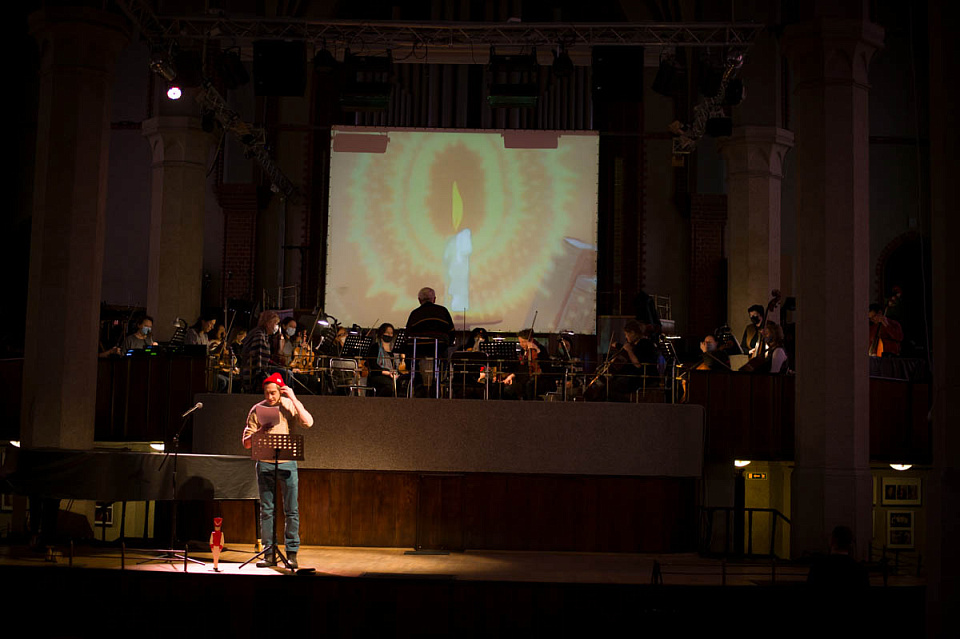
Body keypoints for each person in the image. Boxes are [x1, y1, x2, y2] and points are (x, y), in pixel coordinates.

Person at [241, 372, 314, 569]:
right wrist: (259, 432)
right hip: (265, 463)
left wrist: (293, 398)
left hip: (287, 463)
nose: (270, 397)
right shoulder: (257, 409)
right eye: (267, 393)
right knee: (267, 510)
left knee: (291, 510)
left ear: (280, 391)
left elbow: (308, 422)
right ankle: (269, 553)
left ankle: (292, 552)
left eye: (274, 393)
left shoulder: (288, 405)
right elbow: (246, 444)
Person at [405, 287, 455, 394]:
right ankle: (438, 380)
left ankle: (417, 381)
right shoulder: (443, 311)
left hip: (418, 348)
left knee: (409, 356)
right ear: (434, 299)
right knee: (444, 355)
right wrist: (449, 342)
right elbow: (451, 332)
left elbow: (407, 335)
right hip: (439, 347)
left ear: (419, 300)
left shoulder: (415, 313)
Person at [240, 311, 286, 391]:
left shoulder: (263, 334)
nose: (277, 327)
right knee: (285, 374)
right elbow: (258, 359)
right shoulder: (259, 335)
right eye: (275, 323)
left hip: (261, 370)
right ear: (268, 323)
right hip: (253, 373)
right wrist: (262, 375)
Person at [366, 323, 404, 397]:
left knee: (403, 382)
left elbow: (398, 366)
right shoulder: (375, 347)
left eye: (391, 333)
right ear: (382, 333)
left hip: (394, 374)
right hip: (379, 374)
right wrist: (387, 373)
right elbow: (373, 365)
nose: (389, 335)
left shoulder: (395, 349)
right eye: (387, 332)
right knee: (389, 386)